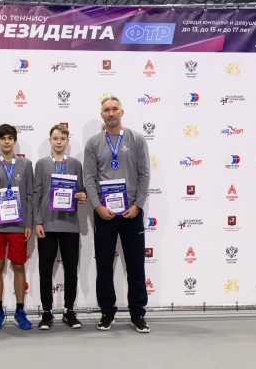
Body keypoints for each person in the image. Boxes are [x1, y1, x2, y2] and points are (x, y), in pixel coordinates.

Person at [83, 95, 151, 333]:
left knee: (136, 265)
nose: (110, 113)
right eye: (106, 110)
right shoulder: (93, 143)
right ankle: (107, 312)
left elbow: (144, 174)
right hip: (105, 214)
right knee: (104, 266)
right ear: (101, 114)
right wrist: (97, 206)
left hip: (131, 212)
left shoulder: (137, 139)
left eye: (114, 109)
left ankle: (137, 313)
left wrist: (138, 205)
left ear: (122, 112)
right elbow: (89, 178)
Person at [34, 124, 87, 330]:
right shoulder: (41, 164)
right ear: (50, 140)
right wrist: (38, 221)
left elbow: (81, 191)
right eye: (55, 138)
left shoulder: (75, 164)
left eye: (62, 138)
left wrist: (81, 196)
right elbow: (37, 194)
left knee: (71, 271)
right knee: (45, 271)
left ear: (67, 141)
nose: (59, 142)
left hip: (70, 225)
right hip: (47, 225)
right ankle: (47, 312)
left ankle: (69, 311)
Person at [0, 124, 34, 330]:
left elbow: (30, 195)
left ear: (15, 140)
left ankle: (20, 311)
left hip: (18, 225)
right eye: (3, 138)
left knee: (19, 266)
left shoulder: (25, 164)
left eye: (10, 138)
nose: (6, 141)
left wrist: (29, 222)